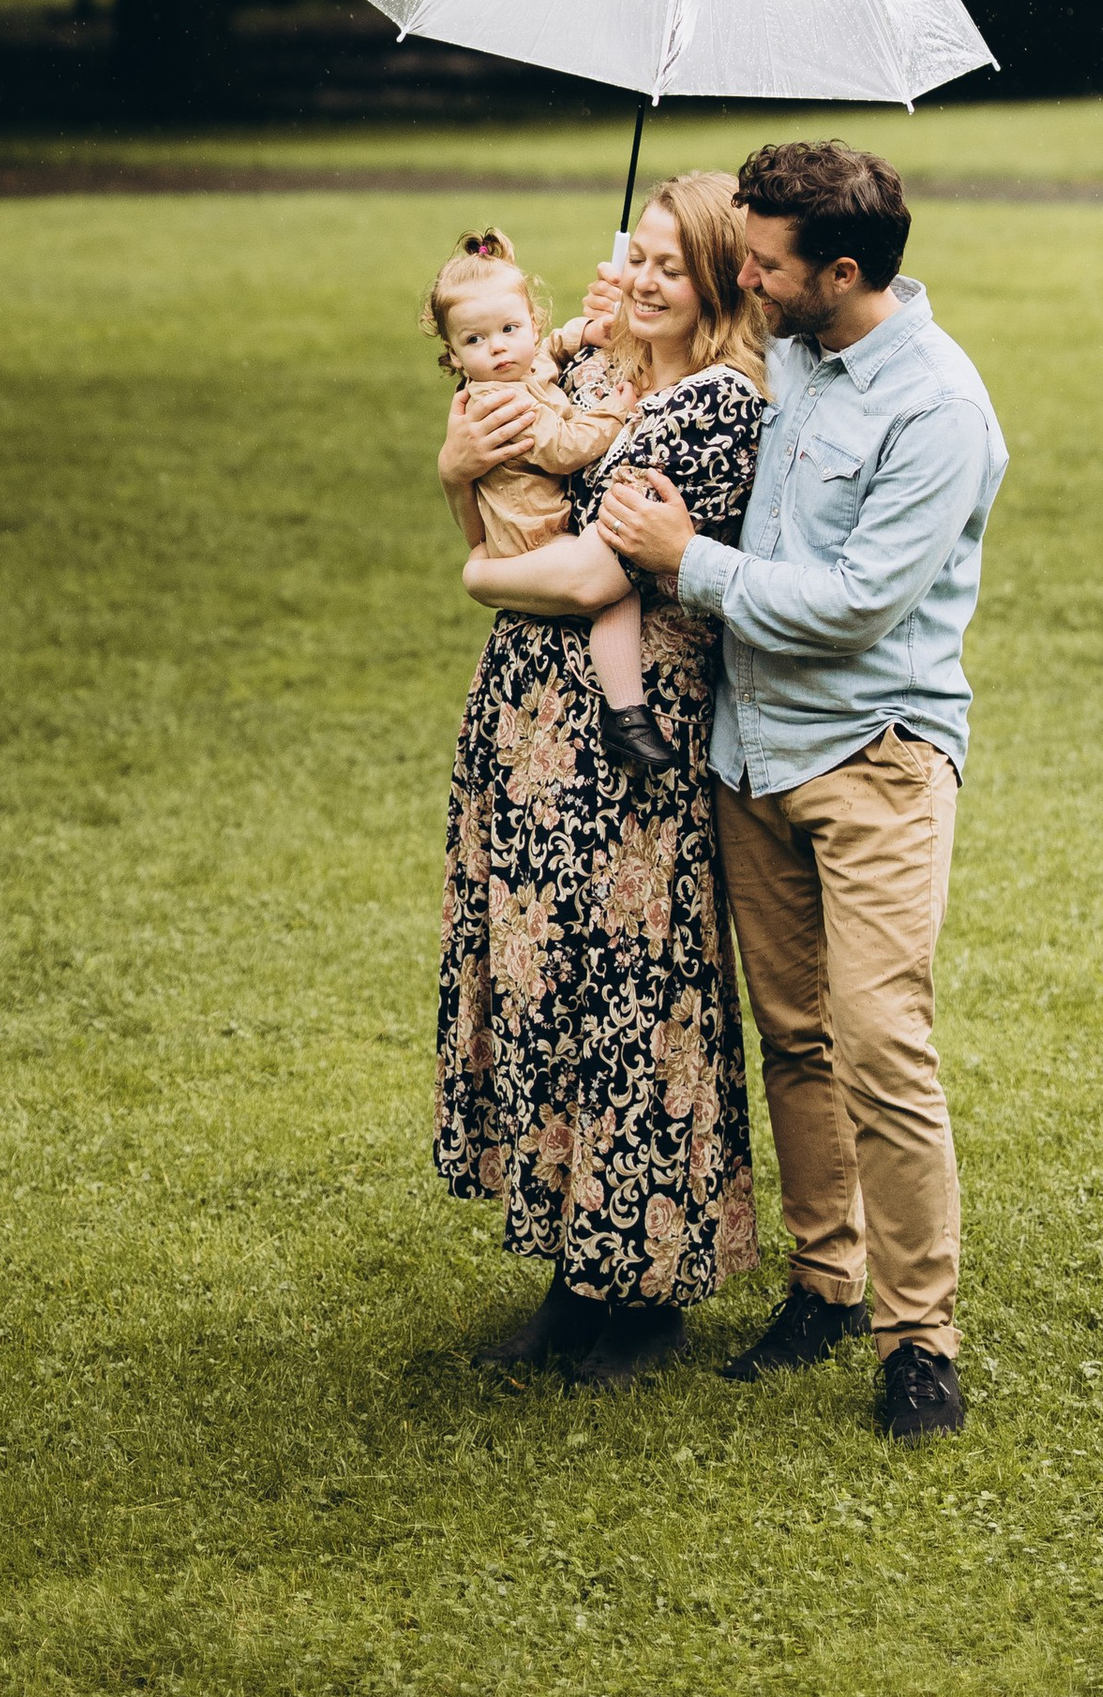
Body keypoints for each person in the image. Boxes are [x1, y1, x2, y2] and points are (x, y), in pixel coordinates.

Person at [601, 138, 1007, 1444]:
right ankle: (825, 1282)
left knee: (881, 1041)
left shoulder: (937, 410)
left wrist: (686, 560)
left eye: (768, 263)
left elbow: (854, 609)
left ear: (841, 270)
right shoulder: (783, 352)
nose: (748, 278)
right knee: (795, 1036)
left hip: (874, 755)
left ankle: (920, 1340)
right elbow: (657, 343)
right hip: (748, 754)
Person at [433, 171, 767, 1388]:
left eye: (672, 267)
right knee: (550, 988)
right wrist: (451, 473)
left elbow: (582, 579)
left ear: (726, 282)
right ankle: (572, 1278)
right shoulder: (594, 374)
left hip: (620, 740)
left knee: (632, 989)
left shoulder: (713, 409)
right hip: (526, 725)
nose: (640, 279)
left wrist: (474, 582)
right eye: (639, 256)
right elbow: (511, 517)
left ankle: (640, 1291)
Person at [420, 225, 673, 776]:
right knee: (615, 588)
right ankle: (626, 712)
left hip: (528, 528)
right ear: (455, 355)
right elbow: (563, 450)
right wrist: (615, 411)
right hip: (531, 536)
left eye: (510, 329)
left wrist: (585, 331)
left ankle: (625, 711)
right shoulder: (500, 401)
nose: (499, 348)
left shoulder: (522, 363)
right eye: (475, 341)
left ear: (531, 323)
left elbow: (549, 352)